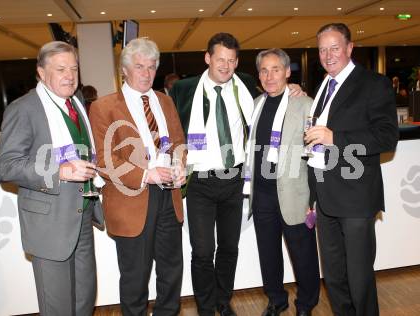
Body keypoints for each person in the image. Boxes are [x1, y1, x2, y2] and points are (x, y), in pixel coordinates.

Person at [170, 32, 303, 316]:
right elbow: (173, 132)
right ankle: (206, 307)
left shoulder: (244, 82)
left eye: (231, 61)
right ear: (208, 58)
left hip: (234, 180)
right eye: (220, 59)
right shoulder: (184, 89)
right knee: (203, 251)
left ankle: (223, 300)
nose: (226, 66)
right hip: (200, 183)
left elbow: (276, 88)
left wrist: (296, 89)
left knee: (229, 247)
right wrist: (175, 156)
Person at [0, 41, 104, 316]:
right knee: (58, 308)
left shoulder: (76, 103)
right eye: (61, 69)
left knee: (83, 301)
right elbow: (7, 166)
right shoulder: (24, 109)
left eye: (74, 68)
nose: (69, 75)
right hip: (49, 225)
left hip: (81, 216)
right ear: (41, 73)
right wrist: (60, 171)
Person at [305, 23, 398, 316]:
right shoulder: (323, 85)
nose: (328, 54)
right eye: (322, 49)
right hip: (326, 196)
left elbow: (386, 136)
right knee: (334, 278)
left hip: (356, 198)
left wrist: (336, 139)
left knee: (359, 279)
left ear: (349, 48)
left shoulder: (373, 83)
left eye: (334, 47)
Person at [89, 37, 186, 316]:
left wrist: (180, 166)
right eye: (139, 66)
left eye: (152, 67)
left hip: (170, 196)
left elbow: (179, 143)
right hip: (131, 198)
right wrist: (146, 174)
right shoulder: (104, 107)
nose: (146, 73)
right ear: (124, 70)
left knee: (171, 270)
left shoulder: (165, 102)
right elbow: (104, 160)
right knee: (135, 277)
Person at [244, 48, 320, 316]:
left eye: (276, 69)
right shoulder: (254, 105)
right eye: (264, 70)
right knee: (269, 254)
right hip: (262, 193)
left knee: (304, 256)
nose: (270, 75)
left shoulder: (306, 105)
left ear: (288, 72)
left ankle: (306, 304)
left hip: (295, 195)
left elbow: (318, 156)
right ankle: (276, 299)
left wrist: (314, 199)